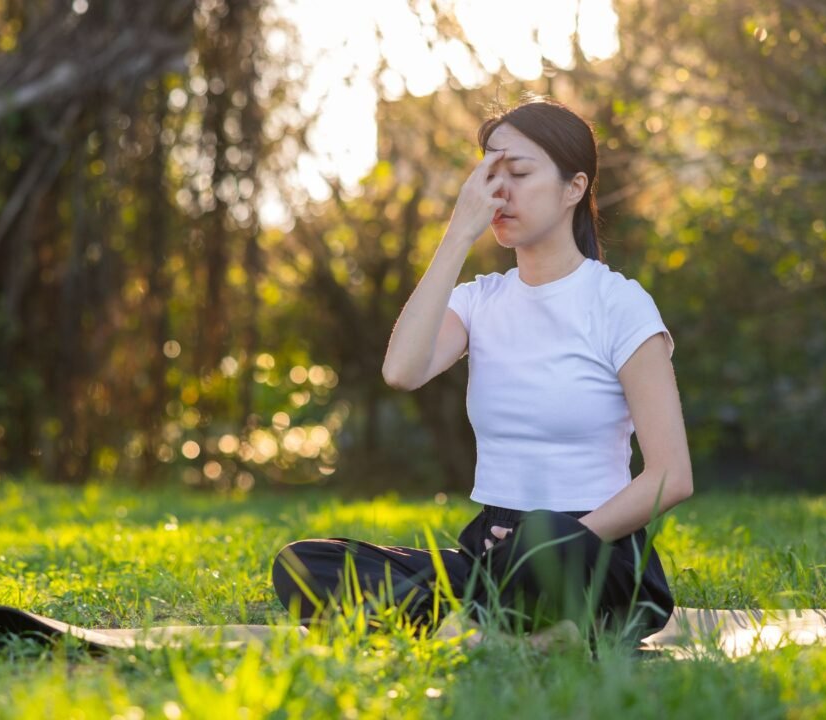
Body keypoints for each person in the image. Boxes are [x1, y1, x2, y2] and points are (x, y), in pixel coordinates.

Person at [271, 96, 693, 649]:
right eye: (489, 174)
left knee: (536, 542)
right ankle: (508, 629)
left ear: (574, 188)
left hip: (596, 549)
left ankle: (488, 622)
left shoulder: (619, 305)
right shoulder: (480, 302)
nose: (499, 192)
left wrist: (545, 548)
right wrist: (456, 236)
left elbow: (671, 477)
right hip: (492, 547)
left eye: (518, 172)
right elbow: (402, 370)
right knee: (304, 564)